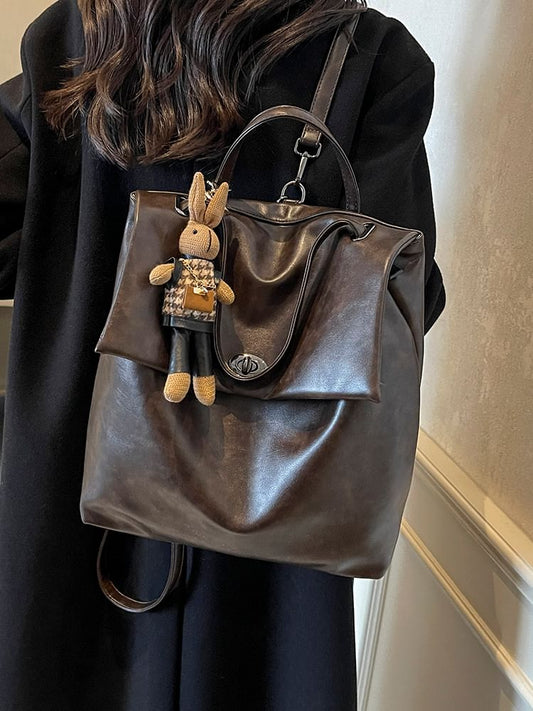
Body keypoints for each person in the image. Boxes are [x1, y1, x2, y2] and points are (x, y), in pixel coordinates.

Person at [0, 0, 446, 709]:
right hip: (277, 517)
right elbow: (409, 303)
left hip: (77, 496)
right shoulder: (368, 55)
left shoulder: (78, 33)